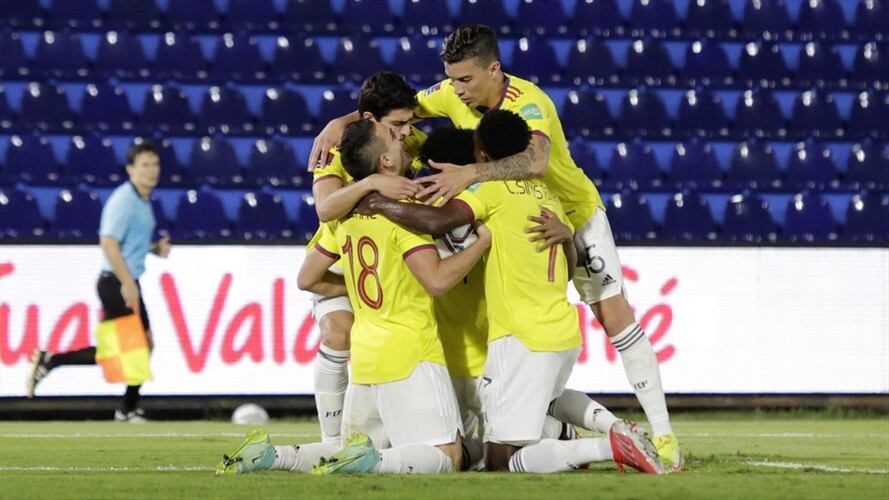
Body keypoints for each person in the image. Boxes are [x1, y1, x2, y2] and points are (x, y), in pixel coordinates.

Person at [309, 25, 682, 471]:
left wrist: (468, 176)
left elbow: (536, 161)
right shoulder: (450, 94)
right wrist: (342, 121)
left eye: (465, 80)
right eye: (451, 79)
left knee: (614, 317)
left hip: (572, 213)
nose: (455, 90)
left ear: (494, 69)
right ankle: (572, 431)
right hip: (510, 219)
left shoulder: (529, 101)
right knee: (519, 362)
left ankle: (663, 436)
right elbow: (393, 111)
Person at [361, 109, 662, 474]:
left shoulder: (489, 191)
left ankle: (607, 446)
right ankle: (603, 430)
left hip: (520, 335)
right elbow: (574, 262)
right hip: (561, 328)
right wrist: (568, 237)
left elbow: (435, 221)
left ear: (483, 156)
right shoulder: (548, 195)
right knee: (547, 402)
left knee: (499, 460)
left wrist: (378, 201)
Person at [216, 119, 490, 475]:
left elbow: (307, 278)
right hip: (410, 352)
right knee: (448, 456)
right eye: (393, 136)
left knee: (344, 451)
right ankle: (375, 463)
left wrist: (367, 286)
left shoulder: (347, 211)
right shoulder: (406, 211)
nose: (404, 136)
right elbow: (437, 281)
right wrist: (482, 242)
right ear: (386, 163)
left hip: (364, 357)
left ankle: (273, 455)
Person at [307, 71, 422, 445]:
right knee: (338, 331)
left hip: (393, 266)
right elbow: (325, 208)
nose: (407, 131)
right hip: (342, 262)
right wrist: (371, 183)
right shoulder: (337, 153)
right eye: (399, 124)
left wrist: (341, 119)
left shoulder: (413, 142)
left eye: (410, 122)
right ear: (371, 120)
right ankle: (331, 441)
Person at [27, 141, 169, 423]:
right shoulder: (124, 201)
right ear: (131, 169)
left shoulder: (141, 201)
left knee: (129, 348)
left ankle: (53, 361)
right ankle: (126, 409)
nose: (152, 170)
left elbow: (128, 244)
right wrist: (127, 283)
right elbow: (108, 243)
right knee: (136, 346)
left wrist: (153, 249)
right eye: (145, 165)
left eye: (154, 164)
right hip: (116, 282)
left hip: (125, 280)